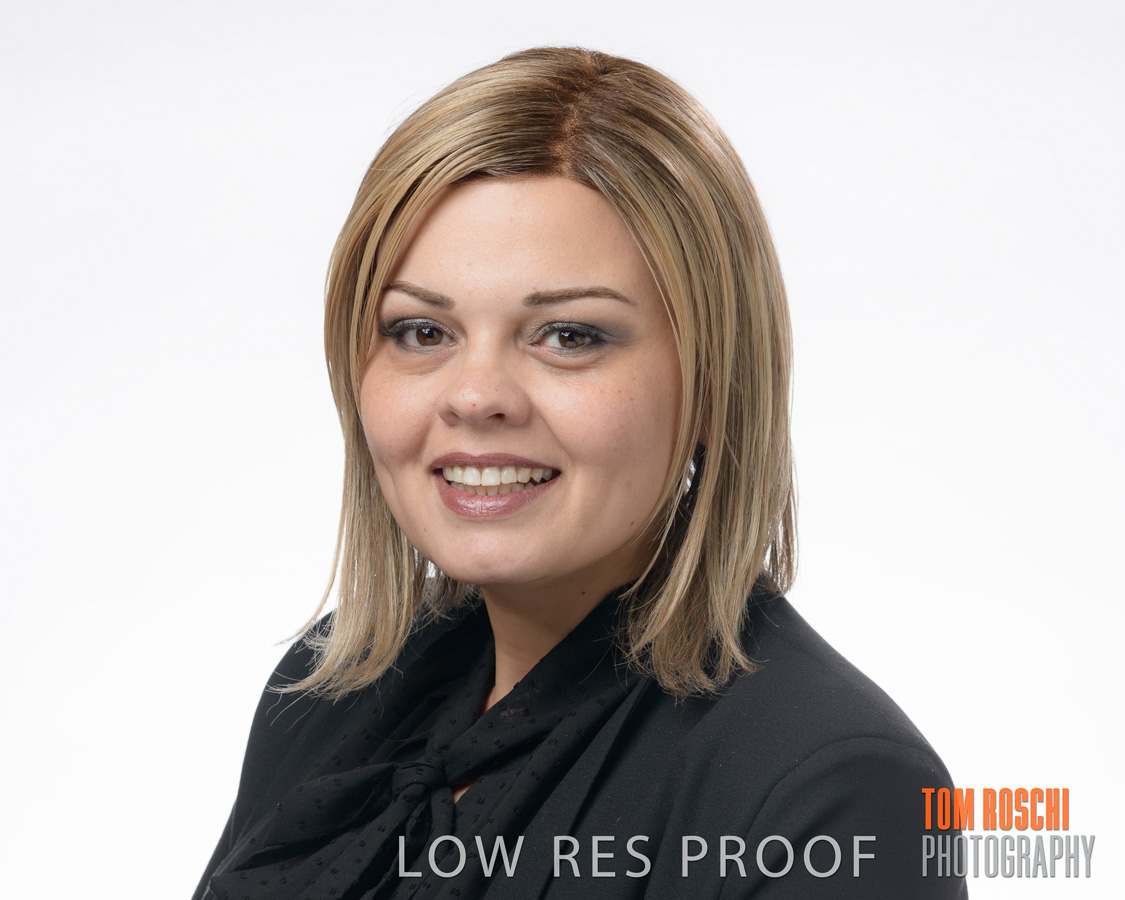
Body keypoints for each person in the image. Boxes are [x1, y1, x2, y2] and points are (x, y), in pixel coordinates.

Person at [193, 47, 967, 899]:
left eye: (568, 336)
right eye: (421, 332)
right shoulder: (324, 693)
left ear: (714, 380)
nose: (475, 396)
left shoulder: (836, 792)